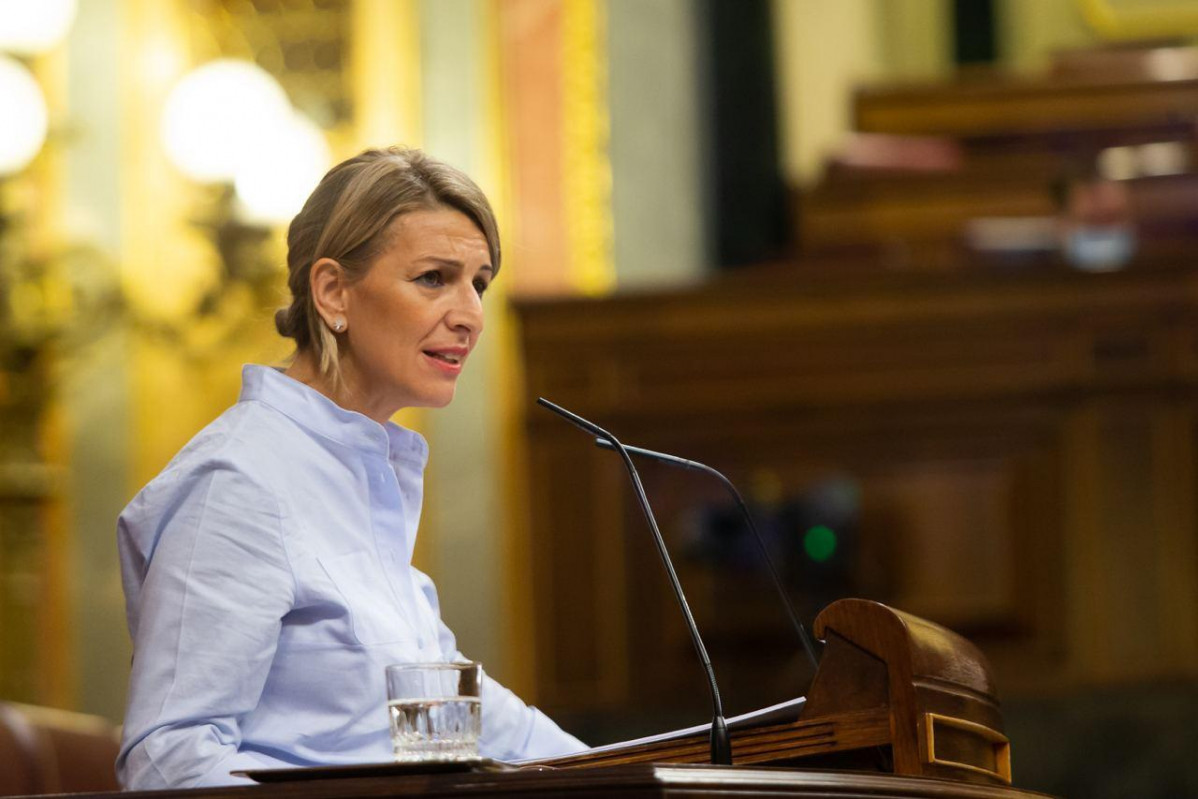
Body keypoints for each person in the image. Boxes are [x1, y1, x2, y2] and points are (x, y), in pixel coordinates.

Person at [116, 147, 586, 789]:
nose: (470, 315)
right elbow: (169, 757)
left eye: (477, 283)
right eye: (433, 278)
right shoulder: (238, 482)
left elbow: (458, 720)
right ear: (333, 291)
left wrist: (639, 772)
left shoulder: (363, 473)